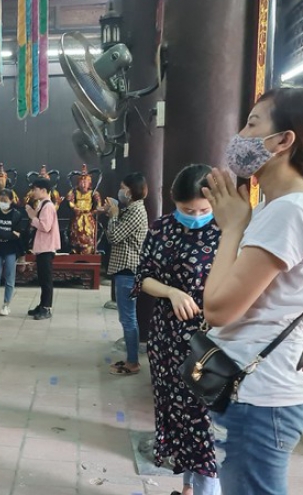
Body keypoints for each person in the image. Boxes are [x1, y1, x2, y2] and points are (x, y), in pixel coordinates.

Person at [201, 87, 303, 495]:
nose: (240, 134)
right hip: (254, 391)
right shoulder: (275, 206)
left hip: (262, 400)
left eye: (253, 123)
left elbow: (219, 308)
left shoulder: (290, 211)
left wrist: (231, 230)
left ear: (283, 141)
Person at [135, 164, 222, 495]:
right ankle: (188, 487)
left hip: (210, 341)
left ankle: (206, 491)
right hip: (167, 339)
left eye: (203, 210)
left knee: (203, 420)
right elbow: (144, 276)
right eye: (188, 210)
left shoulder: (226, 232)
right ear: (174, 201)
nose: (197, 216)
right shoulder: (161, 229)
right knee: (176, 413)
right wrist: (171, 292)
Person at [105, 173, 149, 375]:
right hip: (124, 269)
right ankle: (131, 359)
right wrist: (113, 214)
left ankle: (133, 362)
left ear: (130, 191)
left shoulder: (136, 211)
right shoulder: (131, 209)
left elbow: (114, 236)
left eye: (123, 187)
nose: (120, 191)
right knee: (127, 317)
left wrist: (114, 214)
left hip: (128, 270)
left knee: (128, 318)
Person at [25, 177, 60, 320]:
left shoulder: (48, 206)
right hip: (42, 247)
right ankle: (42, 305)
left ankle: (47, 308)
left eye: (35, 189)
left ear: (43, 190)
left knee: (46, 280)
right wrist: (33, 214)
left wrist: (31, 216)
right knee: (42, 279)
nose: (33, 192)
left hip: (46, 248)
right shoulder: (42, 204)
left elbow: (45, 226)